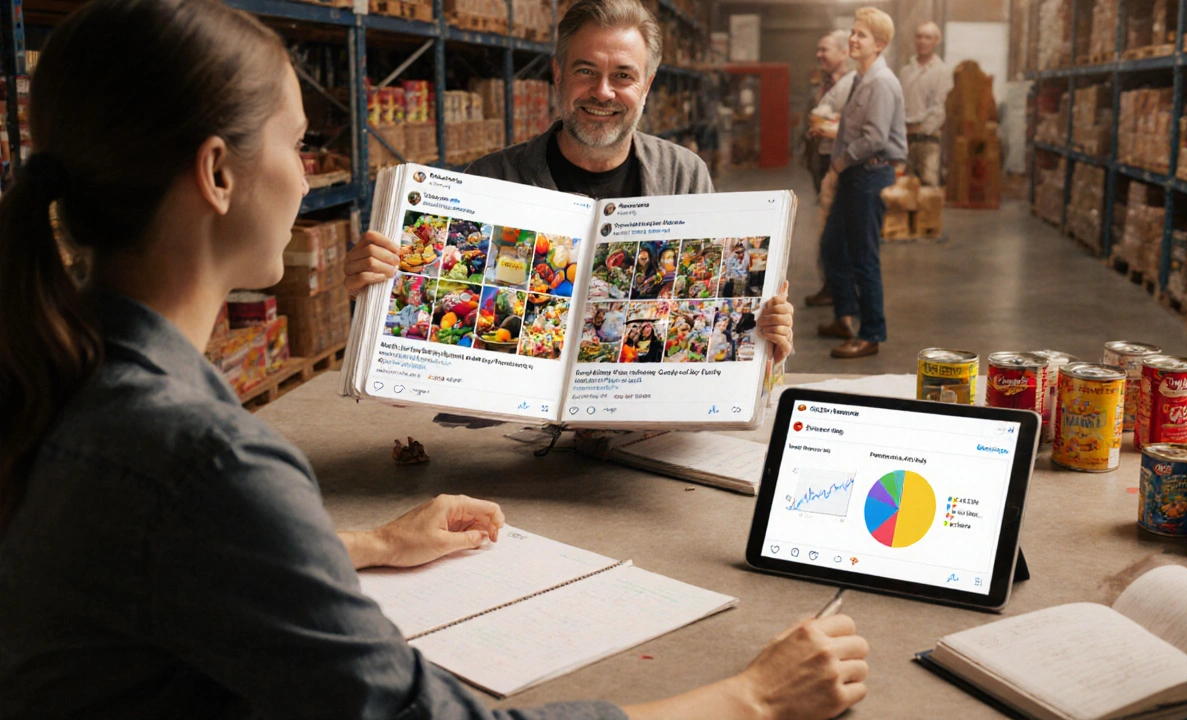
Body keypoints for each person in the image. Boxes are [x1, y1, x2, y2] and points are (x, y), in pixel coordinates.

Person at [0, 0, 873, 717]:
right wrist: (753, 697)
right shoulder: (206, 457)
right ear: (219, 175)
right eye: (298, 144)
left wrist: (365, 543)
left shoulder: (69, 379)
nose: (310, 178)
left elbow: (190, 562)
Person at [346, 0, 794, 362]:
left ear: (647, 84)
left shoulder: (684, 173)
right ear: (558, 75)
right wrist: (374, 296)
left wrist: (759, 340)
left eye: (623, 75)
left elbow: (704, 311)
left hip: (638, 414)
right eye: (585, 71)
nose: (603, 91)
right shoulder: (489, 181)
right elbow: (433, 328)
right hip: (506, 426)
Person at [818, 8, 907, 359]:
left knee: (863, 258)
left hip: (870, 174)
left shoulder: (881, 82)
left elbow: (873, 138)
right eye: (853, 32)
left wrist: (837, 164)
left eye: (862, 35)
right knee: (832, 247)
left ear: (880, 44)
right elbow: (852, 129)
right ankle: (844, 316)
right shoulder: (861, 78)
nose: (853, 39)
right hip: (856, 174)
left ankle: (871, 334)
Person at [803, 31, 857, 308]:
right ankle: (830, 286)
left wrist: (830, 126)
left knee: (837, 229)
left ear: (843, 53)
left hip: (839, 162)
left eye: (825, 50)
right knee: (825, 225)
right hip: (821, 160)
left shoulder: (852, 85)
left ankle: (844, 292)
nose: (819, 55)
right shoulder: (823, 84)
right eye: (818, 50)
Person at [899, 22, 952, 187]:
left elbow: (940, 108)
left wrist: (922, 130)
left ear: (936, 41)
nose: (922, 41)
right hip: (904, 140)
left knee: (927, 192)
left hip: (928, 142)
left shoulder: (941, 71)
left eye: (928, 37)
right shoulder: (906, 71)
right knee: (903, 190)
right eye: (919, 36)